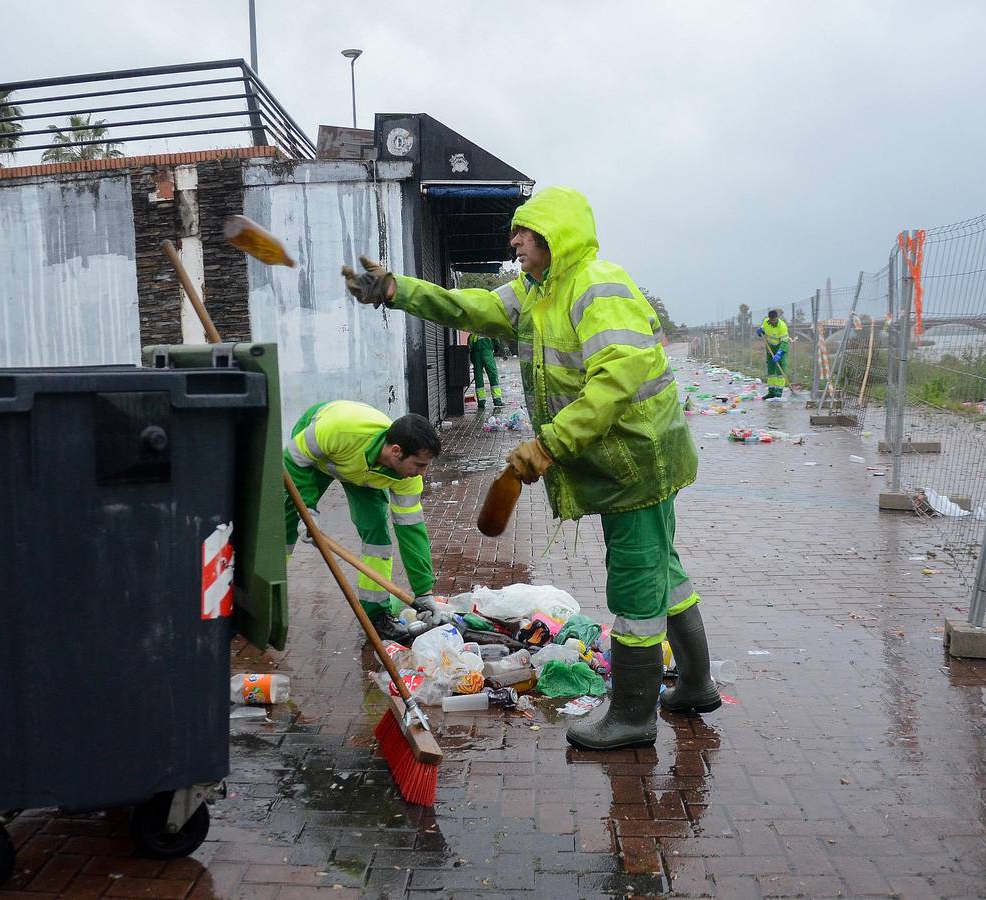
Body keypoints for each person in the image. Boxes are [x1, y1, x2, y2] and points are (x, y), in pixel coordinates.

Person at [342, 186, 721, 750]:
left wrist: (547, 446)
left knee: (638, 587)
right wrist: (399, 290)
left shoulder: (597, 289)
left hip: (637, 460)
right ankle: (695, 684)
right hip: (626, 459)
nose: (514, 240)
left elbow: (615, 381)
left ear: (555, 234)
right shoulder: (538, 292)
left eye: (524, 231)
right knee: (665, 571)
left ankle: (635, 716)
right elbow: (474, 308)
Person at [284, 400, 441, 642]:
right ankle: (259, 598)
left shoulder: (407, 477)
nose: (423, 473)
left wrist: (423, 591)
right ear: (396, 451)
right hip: (320, 459)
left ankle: (377, 616)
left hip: (362, 474)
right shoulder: (339, 430)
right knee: (283, 525)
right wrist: (307, 511)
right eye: (419, 464)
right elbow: (294, 457)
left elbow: (412, 531)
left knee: (378, 539)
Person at [756, 309, 790, 398]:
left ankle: (779, 391)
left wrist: (779, 353)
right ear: (769, 318)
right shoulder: (766, 322)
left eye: (774, 320)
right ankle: (771, 391)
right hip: (770, 347)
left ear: (777, 318)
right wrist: (760, 332)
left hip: (780, 347)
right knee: (771, 370)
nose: (773, 322)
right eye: (771, 320)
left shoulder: (782, 326)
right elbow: (763, 330)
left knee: (780, 369)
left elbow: (784, 341)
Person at [468, 333, 505, 409]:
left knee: (478, 379)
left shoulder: (472, 335)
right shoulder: (488, 331)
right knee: (493, 376)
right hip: (487, 354)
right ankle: (497, 400)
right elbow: (497, 343)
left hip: (476, 356)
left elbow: (469, 348)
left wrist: (473, 361)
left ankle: (481, 402)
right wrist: (495, 351)